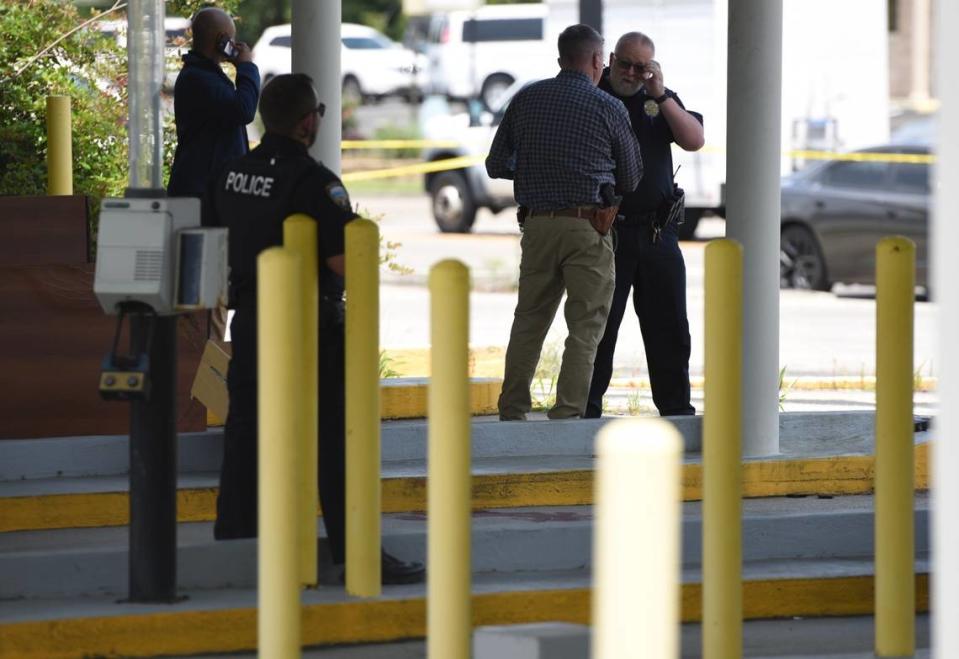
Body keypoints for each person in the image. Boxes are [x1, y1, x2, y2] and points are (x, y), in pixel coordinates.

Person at [203, 74, 424, 585]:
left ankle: (233, 542)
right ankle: (355, 552)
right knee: (335, 439)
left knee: (246, 432)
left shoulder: (231, 173)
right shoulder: (313, 181)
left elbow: (215, 242)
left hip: (255, 319)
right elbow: (345, 260)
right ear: (309, 121)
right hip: (310, 328)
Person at [486, 24, 643, 421]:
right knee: (585, 328)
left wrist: (536, 168)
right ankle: (568, 414)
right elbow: (631, 178)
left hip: (536, 226)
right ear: (595, 61)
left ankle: (512, 409)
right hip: (587, 227)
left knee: (529, 321)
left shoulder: (527, 99)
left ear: (561, 59)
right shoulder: (609, 108)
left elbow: (495, 164)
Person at [585, 32, 705, 418]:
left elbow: (694, 139)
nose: (633, 74)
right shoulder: (594, 93)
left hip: (657, 232)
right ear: (611, 60)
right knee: (599, 327)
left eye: (643, 67)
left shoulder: (659, 99)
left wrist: (661, 94)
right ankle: (585, 409)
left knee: (669, 326)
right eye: (626, 64)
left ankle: (675, 409)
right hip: (608, 231)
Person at [168, 7, 260, 197]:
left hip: (207, 187)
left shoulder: (202, 74)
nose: (233, 45)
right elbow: (244, 109)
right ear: (222, 39)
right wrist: (247, 67)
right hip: (202, 192)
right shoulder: (199, 78)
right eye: (231, 40)